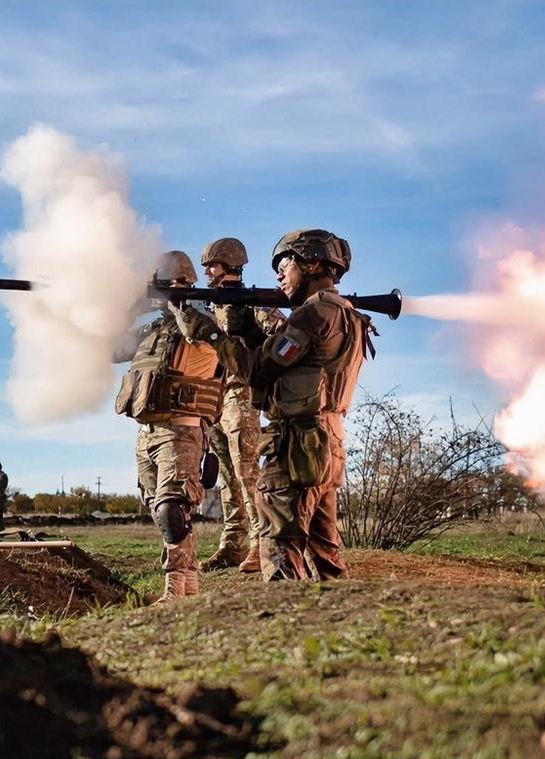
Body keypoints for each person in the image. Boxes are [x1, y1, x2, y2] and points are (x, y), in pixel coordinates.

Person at [173, 230, 374, 580]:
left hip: (299, 444)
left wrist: (210, 333)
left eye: (285, 266)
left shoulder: (312, 315)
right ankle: (337, 612)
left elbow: (256, 369)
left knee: (280, 548)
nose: (279, 276)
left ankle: (285, 610)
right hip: (327, 440)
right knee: (324, 554)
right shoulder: (346, 314)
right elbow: (287, 361)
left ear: (312, 264)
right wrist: (248, 330)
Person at [114, 251, 224, 603]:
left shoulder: (202, 322)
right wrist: (131, 307)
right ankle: (188, 585)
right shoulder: (153, 331)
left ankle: (174, 589)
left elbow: (201, 332)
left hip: (181, 431)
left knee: (171, 509)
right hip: (147, 433)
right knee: (161, 512)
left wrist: (180, 301)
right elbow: (112, 348)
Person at [198, 238, 285, 575]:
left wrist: (257, 360)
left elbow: (282, 332)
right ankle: (234, 543)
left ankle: (261, 543)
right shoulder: (211, 306)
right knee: (226, 476)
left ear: (231, 264)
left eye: (213, 265)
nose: (207, 271)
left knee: (246, 471)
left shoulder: (251, 302)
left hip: (242, 397)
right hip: (215, 399)